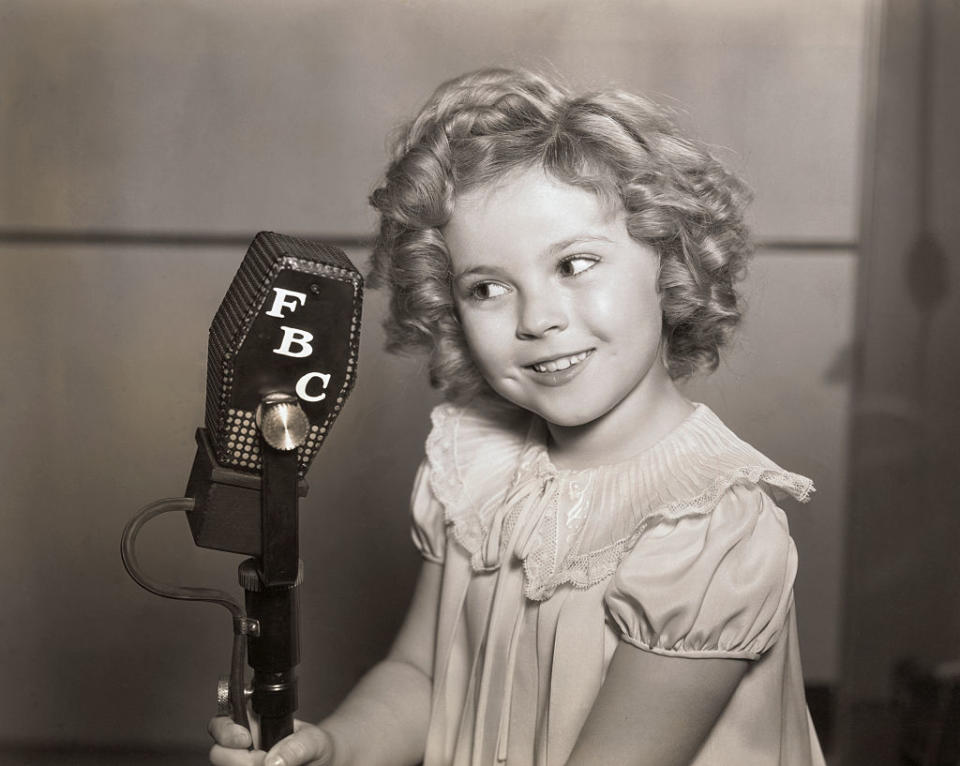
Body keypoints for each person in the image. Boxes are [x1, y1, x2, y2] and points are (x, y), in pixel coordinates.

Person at [209, 67, 826, 766]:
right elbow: (424, 677)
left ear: (669, 256)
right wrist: (336, 747)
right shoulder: (477, 463)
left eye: (575, 264)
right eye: (488, 287)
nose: (537, 319)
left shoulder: (709, 529)